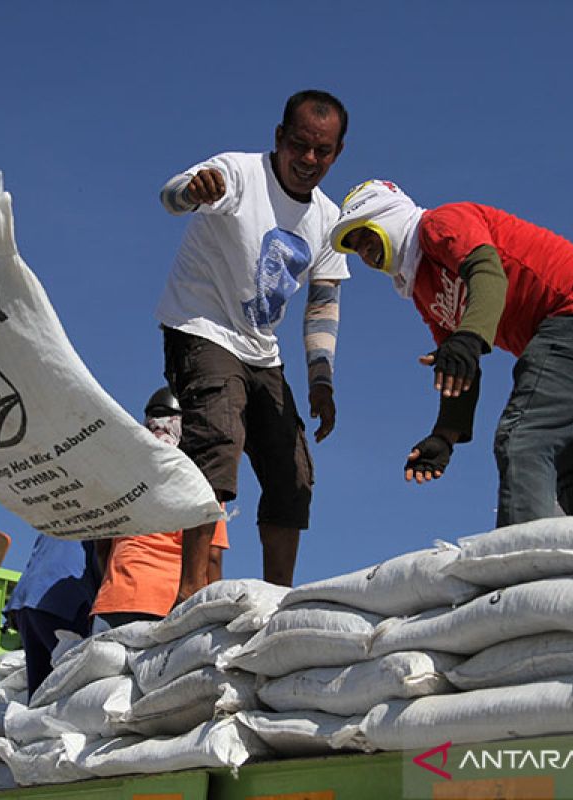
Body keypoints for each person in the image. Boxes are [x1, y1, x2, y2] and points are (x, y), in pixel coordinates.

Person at [330, 179, 573, 527]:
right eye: (356, 248)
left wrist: (469, 337)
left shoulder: (440, 224)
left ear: (389, 218)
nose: (364, 253)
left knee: (522, 439)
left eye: (367, 236)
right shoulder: (423, 290)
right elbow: (459, 364)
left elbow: (487, 272)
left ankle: (523, 570)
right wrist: (445, 435)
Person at [156, 89, 350, 601]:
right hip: (202, 326)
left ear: (337, 153)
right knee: (218, 439)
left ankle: (277, 600)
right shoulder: (239, 174)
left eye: (323, 152)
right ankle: (191, 587)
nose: (309, 160)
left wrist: (322, 381)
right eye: (300, 146)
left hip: (262, 349)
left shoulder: (329, 220)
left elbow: (322, 306)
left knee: (294, 473)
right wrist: (193, 191)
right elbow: (171, 196)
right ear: (280, 137)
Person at [90, 386, 229, 632]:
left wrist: (116, 585)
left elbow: (101, 546)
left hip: (114, 599)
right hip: (169, 601)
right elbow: (212, 557)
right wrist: (214, 611)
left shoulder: (122, 476)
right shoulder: (203, 482)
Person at [4, 536, 99, 693]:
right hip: (65, 600)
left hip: (25, 600)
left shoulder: (58, 519)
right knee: (74, 682)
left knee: (39, 691)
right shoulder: (101, 523)